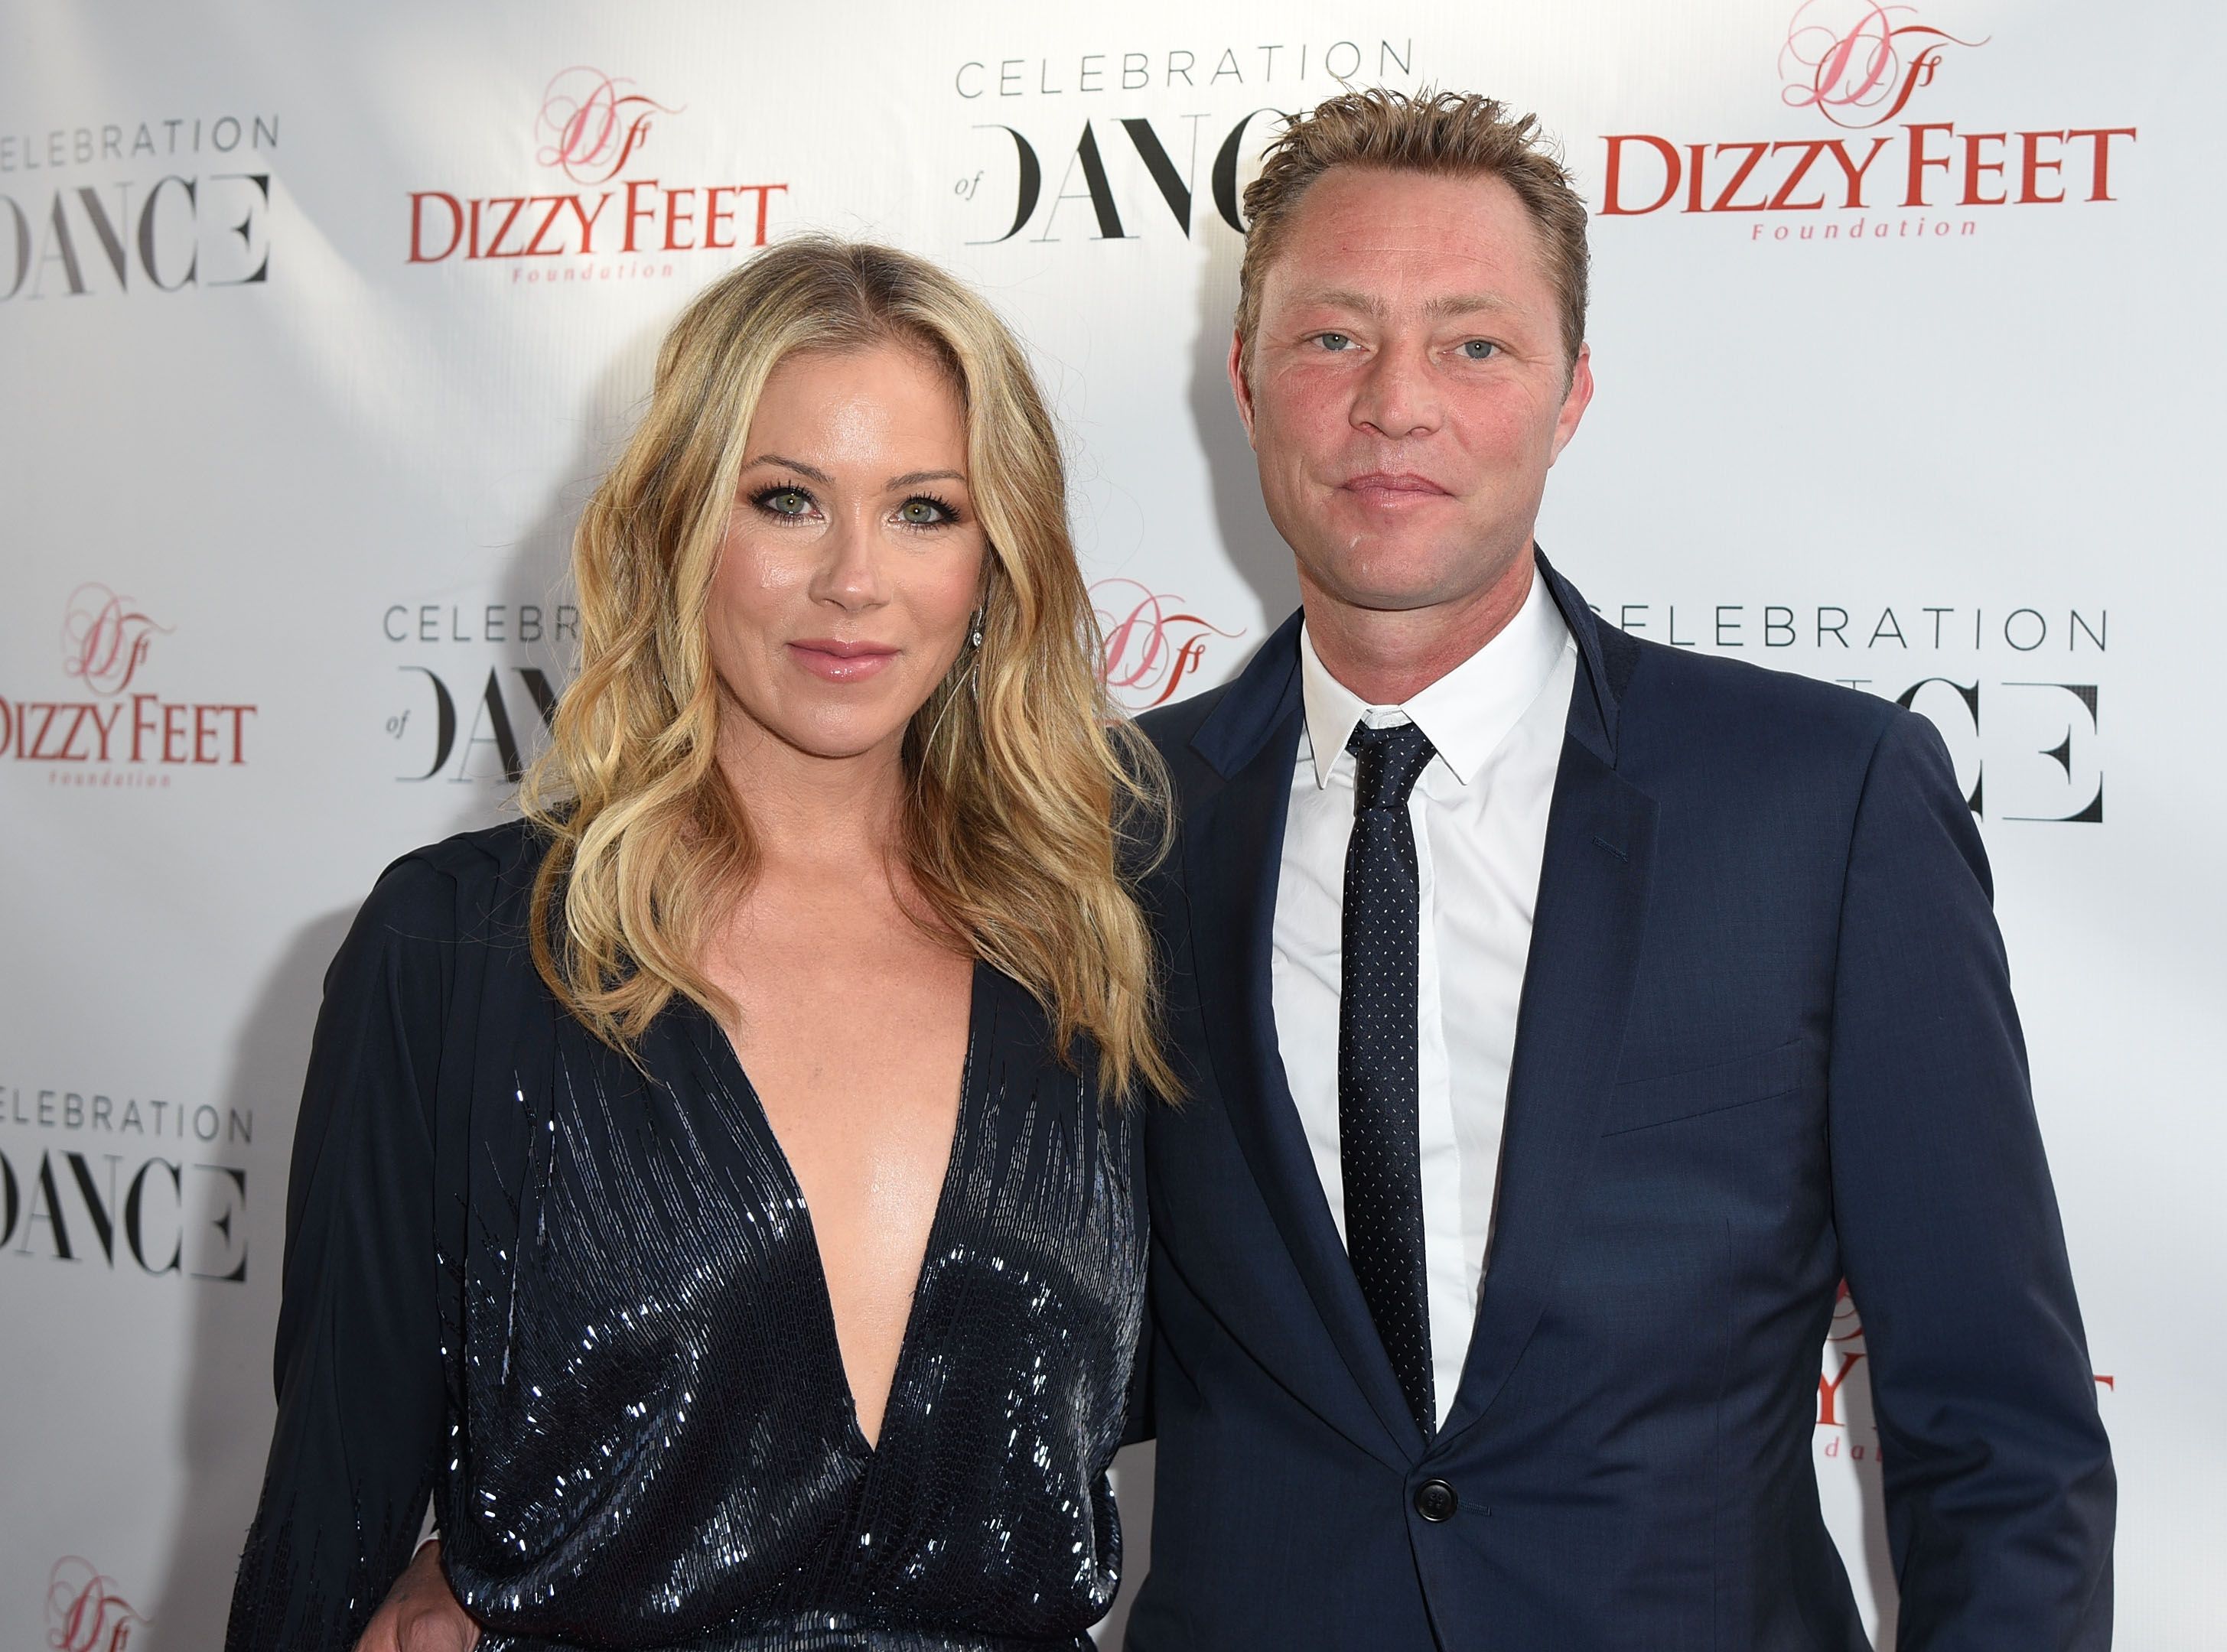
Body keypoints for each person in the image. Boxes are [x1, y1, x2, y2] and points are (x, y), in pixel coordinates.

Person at [1121, 89, 2116, 1648]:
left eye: (1474, 343)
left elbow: (1998, 1432)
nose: (1396, 405)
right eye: (1332, 338)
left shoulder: (1823, 803)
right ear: (1245, 382)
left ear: (1571, 393)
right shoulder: (1108, 826)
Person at [224, 236, 1173, 1652]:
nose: (855, 581)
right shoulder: (460, 952)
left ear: (996, 562)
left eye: (925, 510)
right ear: (679, 528)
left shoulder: (1097, 948)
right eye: (786, 501)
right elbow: (330, 1520)